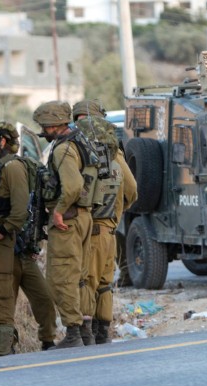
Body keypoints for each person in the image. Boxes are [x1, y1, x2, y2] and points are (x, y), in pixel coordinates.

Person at [0, 118, 57, 355]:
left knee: (43, 299)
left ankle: (48, 341)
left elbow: (20, 210)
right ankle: (5, 345)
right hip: (5, 249)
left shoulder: (13, 167)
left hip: (16, 246)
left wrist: (2, 230)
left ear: (4, 141)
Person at [73, 99, 138, 344]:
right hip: (109, 228)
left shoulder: (76, 150)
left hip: (90, 227)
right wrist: (117, 212)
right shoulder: (113, 152)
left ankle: (87, 332)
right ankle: (103, 331)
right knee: (104, 282)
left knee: (87, 279)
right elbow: (131, 189)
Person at [33, 101, 93, 348]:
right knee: (79, 276)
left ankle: (73, 333)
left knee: (61, 277)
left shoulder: (62, 149)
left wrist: (57, 212)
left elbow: (74, 186)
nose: (43, 131)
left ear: (54, 124)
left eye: (44, 126)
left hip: (68, 219)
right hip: (83, 217)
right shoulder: (80, 141)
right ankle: (86, 332)